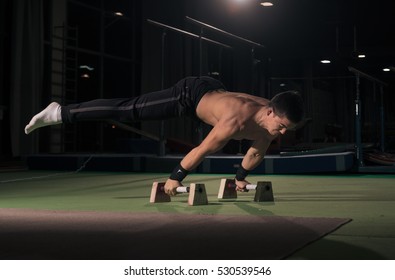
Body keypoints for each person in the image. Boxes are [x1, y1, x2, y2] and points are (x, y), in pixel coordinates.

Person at [25, 76, 304, 196]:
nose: (281, 133)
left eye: (285, 130)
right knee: (129, 109)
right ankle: (61, 112)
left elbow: (255, 151)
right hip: (188, 95)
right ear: (269, 113)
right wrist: (175, 177)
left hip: (214, 90)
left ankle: (62, 112)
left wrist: (240, 180)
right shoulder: (235, 121)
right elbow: (202, 150)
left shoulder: (271, 120)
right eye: (280, 126)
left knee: (257, 139)